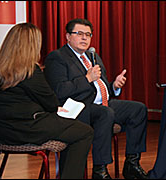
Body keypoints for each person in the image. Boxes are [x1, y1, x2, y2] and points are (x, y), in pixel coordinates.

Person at [43, 18, 148, 179]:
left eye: (88, 34)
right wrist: (87, 79)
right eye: (79, 34)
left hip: (102, 104)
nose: (84, 38)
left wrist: (114, 86)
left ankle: (132, 164)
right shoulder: (58, 57)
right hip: (78, 108)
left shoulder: (93, 56)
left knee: (138, 109)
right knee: (105, 114)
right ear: (68, 36)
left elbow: (101, 89)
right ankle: (100, 169)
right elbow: (59, 91)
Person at [0, 23, 94, 179]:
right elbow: (51, 103)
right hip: (28, 130)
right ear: (33, 45)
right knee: (84, 132)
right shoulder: (30, 70)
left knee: (72, 129)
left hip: (3, 131)